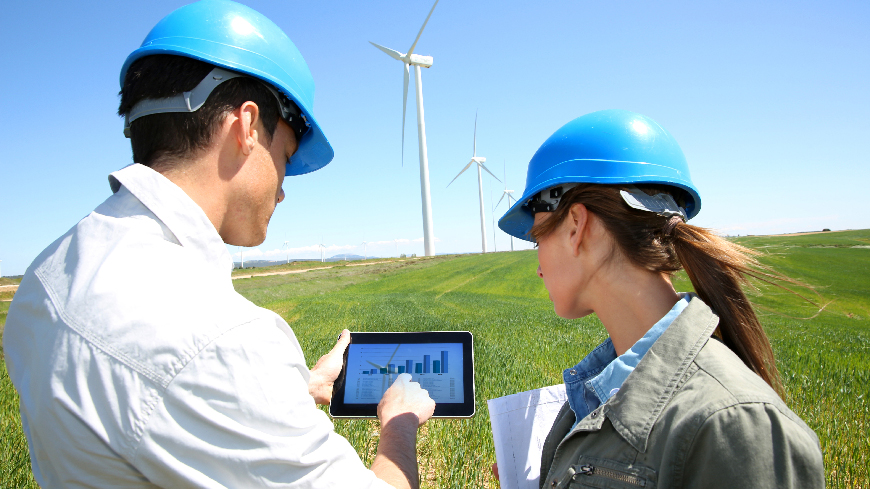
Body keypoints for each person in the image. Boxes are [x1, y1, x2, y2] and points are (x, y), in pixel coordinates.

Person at [4, 1, 434, 488]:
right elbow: (186, 369)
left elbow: (147, 409)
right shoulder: (223, 339)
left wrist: (291, 388)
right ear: (247, 128)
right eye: (286, 158)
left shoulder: (44, 276)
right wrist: (398, 425)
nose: (283, 188)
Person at [496, 110, 824, 488]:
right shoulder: (593, 398)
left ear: (575, 226)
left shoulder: (732, 424)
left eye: (538, 239)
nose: (538, 266)